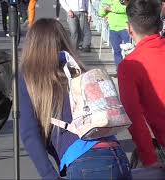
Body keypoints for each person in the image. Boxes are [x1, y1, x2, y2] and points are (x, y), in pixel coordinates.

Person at [19, 18, 132, 179]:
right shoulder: (77, 70)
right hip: (116, 153)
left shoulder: (28, 77)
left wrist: (49, 175)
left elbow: (29, 132)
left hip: (84, 161)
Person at [118, 0, 165, 168]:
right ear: (160, 25)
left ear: (130, 28)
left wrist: (149, 159)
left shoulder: (129, 65)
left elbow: (134, 117)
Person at [99, 0, 130, 67]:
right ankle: (119, 70)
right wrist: (105, 10)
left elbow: (127, 9)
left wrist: (111, 9)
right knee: (116, 51)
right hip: (113, 29)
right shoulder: (105, 1)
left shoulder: (122, 1)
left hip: (125, 28)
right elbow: (100, 13)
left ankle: (130, 68)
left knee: (129, 50)